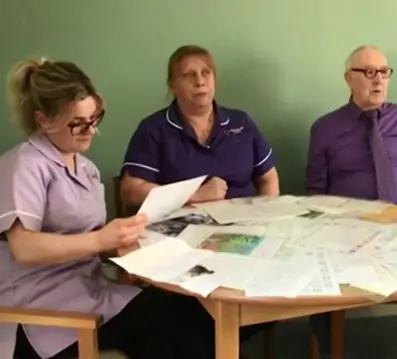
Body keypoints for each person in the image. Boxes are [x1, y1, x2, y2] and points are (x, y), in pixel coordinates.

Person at [0, 58, 259, 359]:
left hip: (92, 292)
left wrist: (130, 251)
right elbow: (25, 248)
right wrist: (102, 240)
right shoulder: (24, 165)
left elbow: (89, 241)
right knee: (175, 321)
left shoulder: (85, 168)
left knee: (180, 324)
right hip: (43, 314)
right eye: (78, 123)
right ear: (43, 120)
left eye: (95, 118)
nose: (91, 131)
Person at [305, 45, 397, 359]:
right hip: (347, 233)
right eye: (369, 73)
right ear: (348, 79)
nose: (378, 80)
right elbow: (314, 191)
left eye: (384, 72)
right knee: (317, 272)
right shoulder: (325, 129)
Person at [120, 45, 279, 206]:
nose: (200, 81)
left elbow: (268, 178)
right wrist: (193, 195)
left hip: (244, 224)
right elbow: (131, 190)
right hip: (181, 226)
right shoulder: (153, 129)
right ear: (172, 85)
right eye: (189, 75)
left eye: (206, 73)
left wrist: (264, 218)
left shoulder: (241, 122)